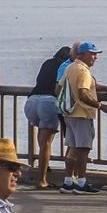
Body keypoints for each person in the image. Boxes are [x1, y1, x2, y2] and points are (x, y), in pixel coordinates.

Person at [57, 41, 107, 194]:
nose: (95, 57)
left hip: (69, 113)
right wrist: (101, 106)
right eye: (93, 54)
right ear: (83, 54)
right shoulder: (84, 71)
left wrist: (104, 87)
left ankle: (68, 182)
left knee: (72, 149)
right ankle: (81, 182)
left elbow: (59, 87)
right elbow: (83, 93)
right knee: (83, 149)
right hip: (82, 114)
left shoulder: (70, 67)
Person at [26, 46, 71, 189]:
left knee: (42, 141)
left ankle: (43, 169)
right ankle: (42, 180)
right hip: (48, 101)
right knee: (46, 143)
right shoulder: (65, 66)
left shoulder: (47, 63)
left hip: (32, 101)